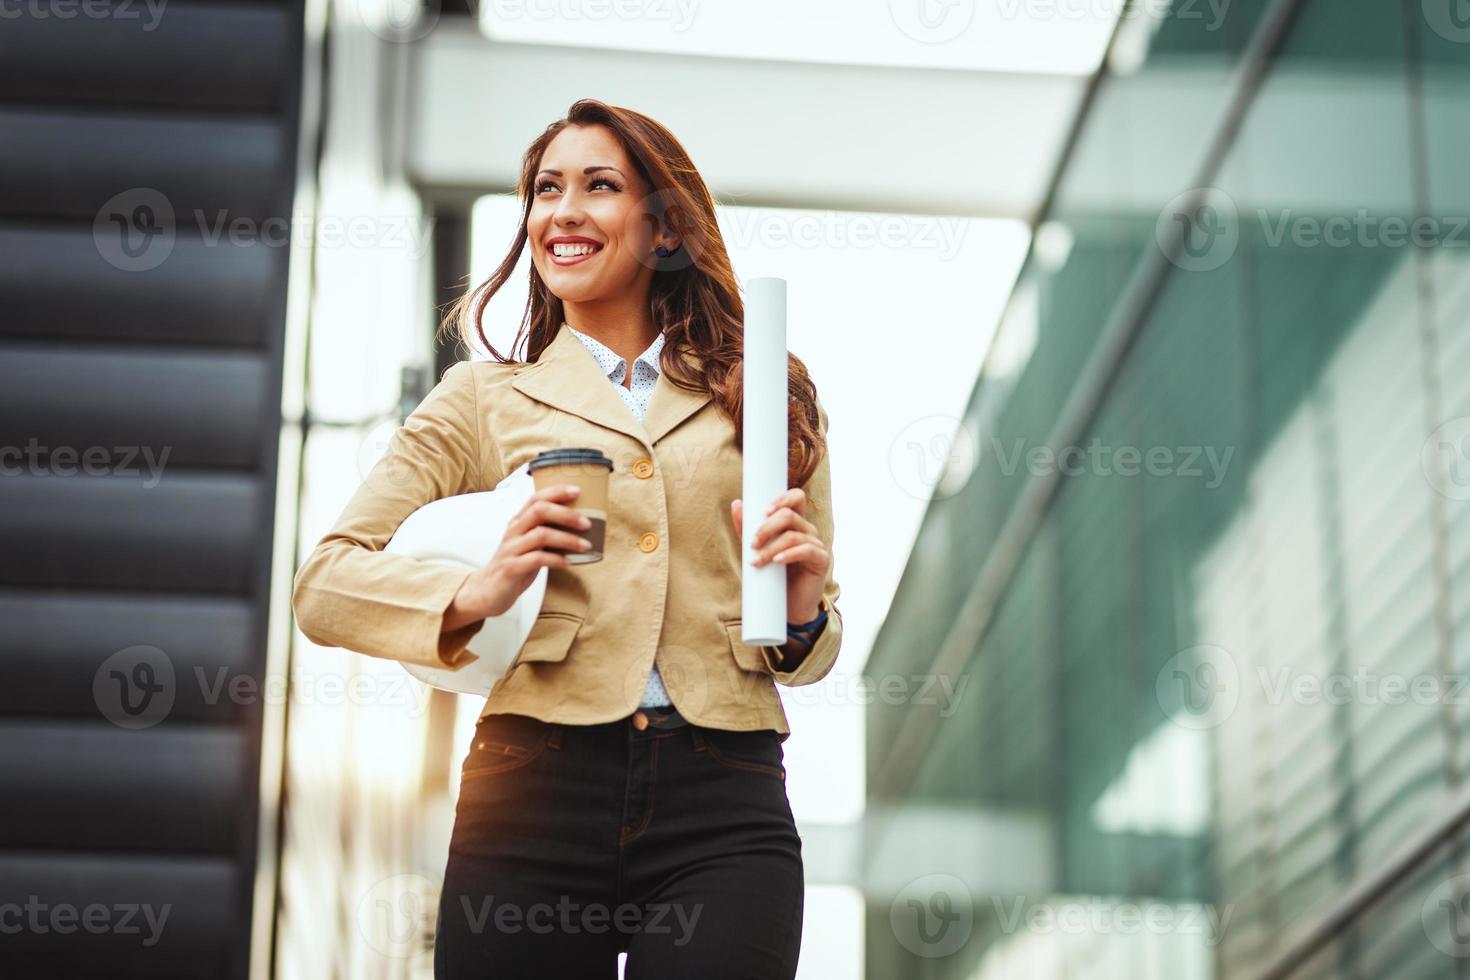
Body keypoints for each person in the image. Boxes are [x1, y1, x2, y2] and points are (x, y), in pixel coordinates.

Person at [291, 98, 842, 979]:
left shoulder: (766, 393)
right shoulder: (481, 397)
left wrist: (806, 614)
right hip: (532, 786)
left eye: (599, 186)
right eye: (546, 190)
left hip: (724, 792)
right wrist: (474, 593)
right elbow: (323, 585)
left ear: (664, 229)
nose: (563, 212)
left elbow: (810, 649)